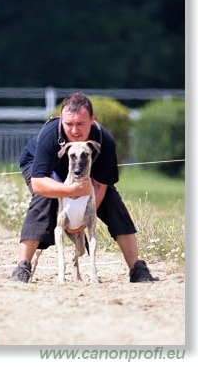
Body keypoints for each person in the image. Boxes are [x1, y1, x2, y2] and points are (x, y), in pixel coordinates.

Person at [10, 91, 158, 283]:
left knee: (113, 202)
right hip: (42, 169)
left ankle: (137, 268)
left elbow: (102, 187)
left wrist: (83, 218)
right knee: (45, 198)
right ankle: (23, 267)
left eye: (80, 123)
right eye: (68, 124)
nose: (74, 130)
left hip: (84, 169)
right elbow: (39, 183)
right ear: (61, 119)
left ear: (92, 120)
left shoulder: (104, 142)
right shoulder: (49, 135)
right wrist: (71, 191)